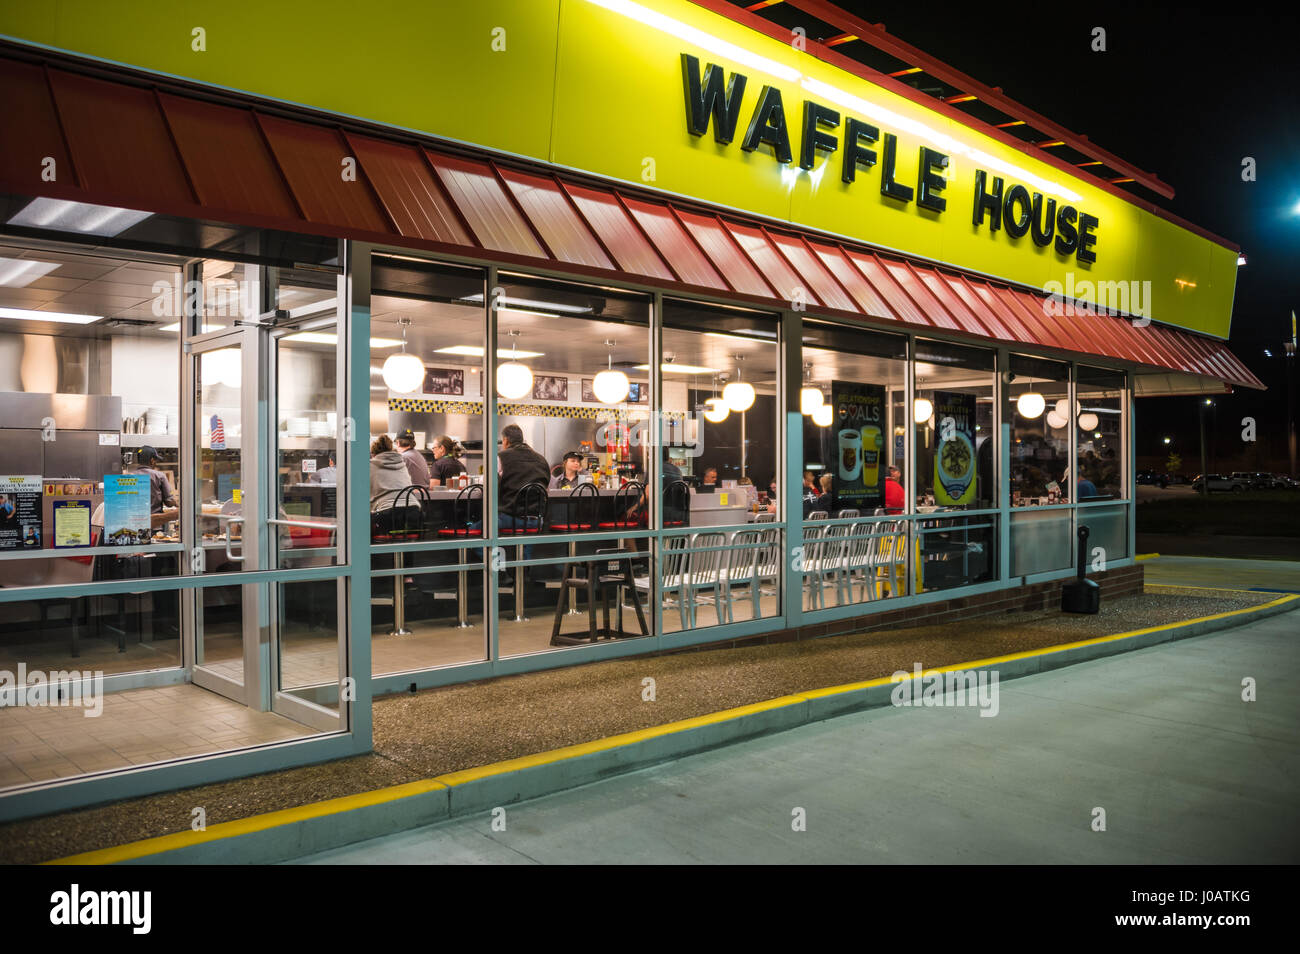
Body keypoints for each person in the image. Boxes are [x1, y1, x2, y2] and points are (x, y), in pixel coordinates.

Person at [134, 446, 179, 528]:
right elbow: (168, 502)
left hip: (136, 524)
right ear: (152, 460)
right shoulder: (159, 476)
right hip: (156, 524)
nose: (156, 463)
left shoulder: (128, 476)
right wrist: (177, 503)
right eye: (155, 460)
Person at [369, 435, 408, 509]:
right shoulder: (402, 464)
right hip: (413, 509)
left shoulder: (371, 465)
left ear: (374, 454)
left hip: (388, 510)